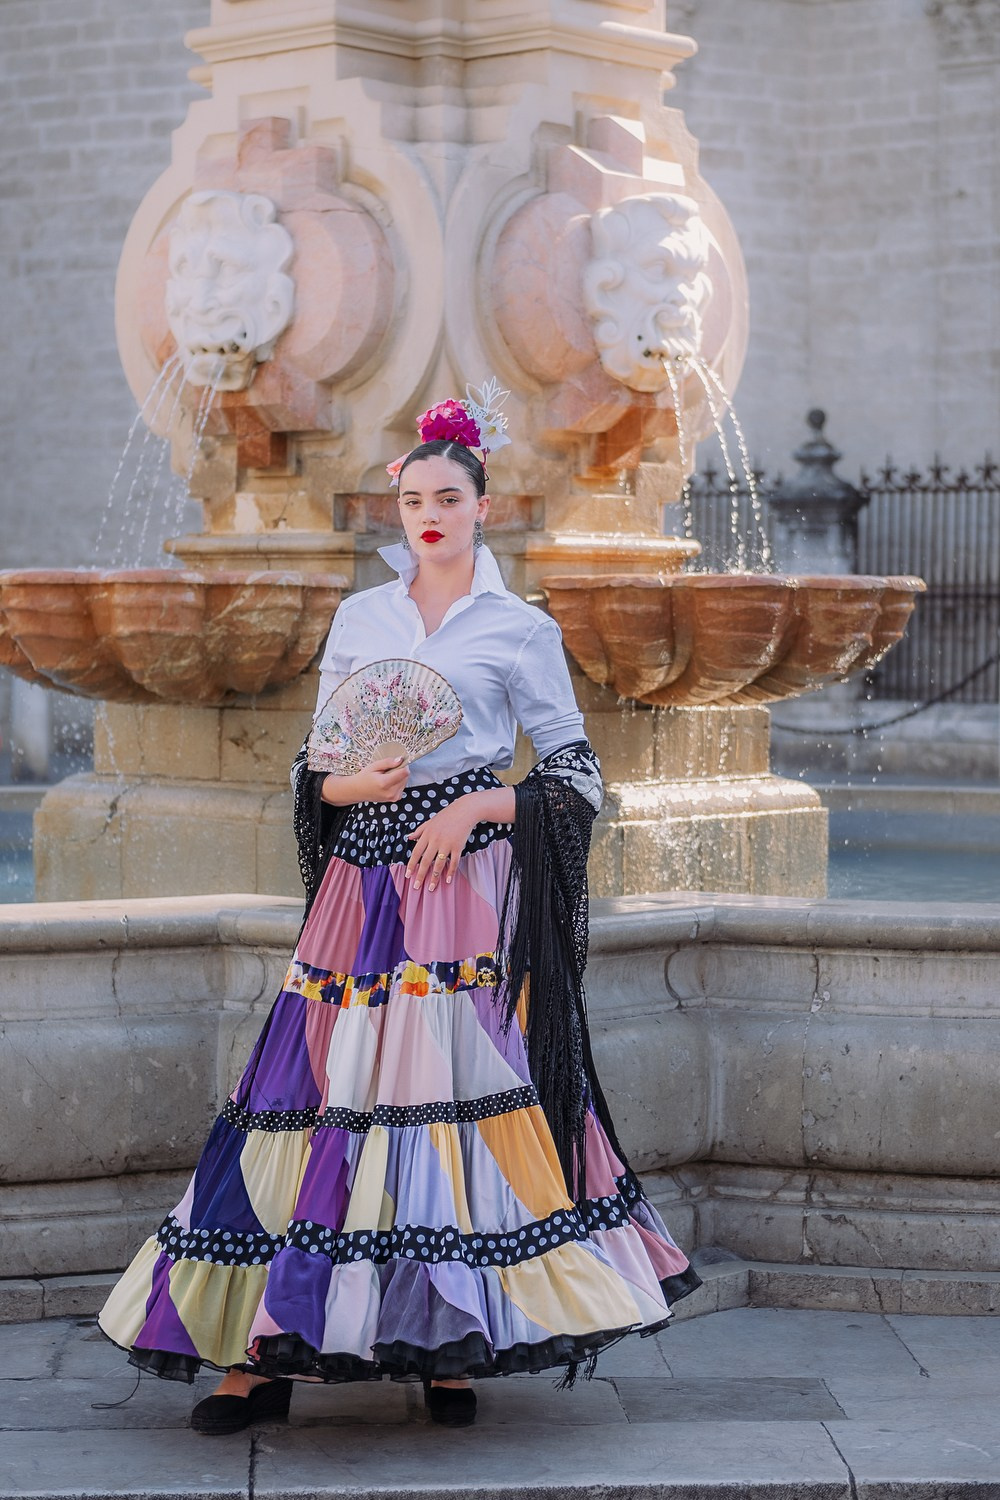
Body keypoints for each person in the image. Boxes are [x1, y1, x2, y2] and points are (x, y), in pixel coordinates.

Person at [98, 389, 701, 1433]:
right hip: (360, 884)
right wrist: (348, 789)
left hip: (459, 890)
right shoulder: (359, 618)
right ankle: (261, 1355)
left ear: (483, 506)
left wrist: (477, 802)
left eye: (447, 497)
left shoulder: (519, 631)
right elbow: (316, 766)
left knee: (448, 1096)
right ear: (399, 507)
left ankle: (447, 1338)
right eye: (413, 498)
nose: (427, 514)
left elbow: (575, 771)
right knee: (309, 1094)